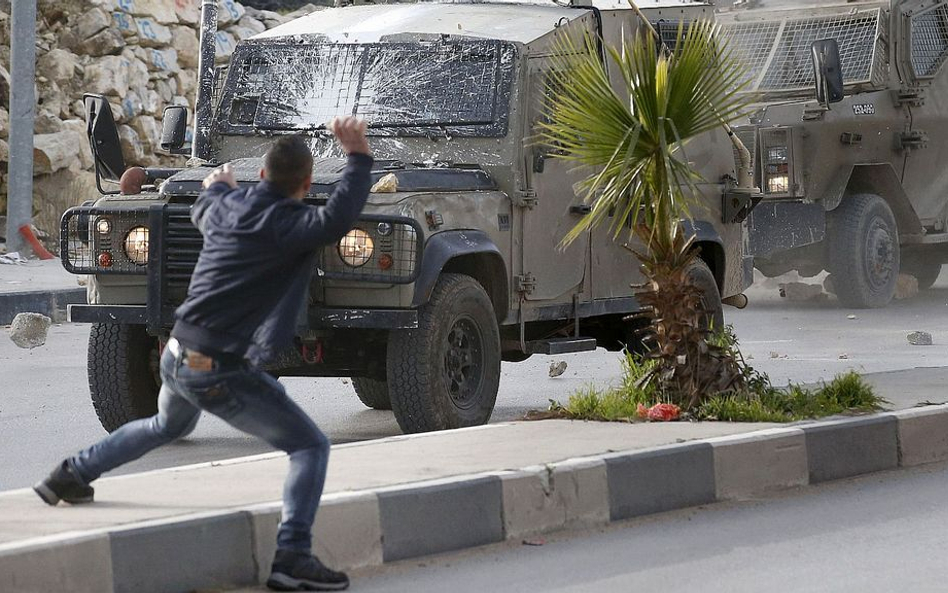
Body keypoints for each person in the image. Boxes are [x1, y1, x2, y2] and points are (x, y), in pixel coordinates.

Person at [33, 116, 374, 592]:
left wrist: (219, 185)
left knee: (166, 426)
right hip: (212, 365)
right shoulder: (296, 225)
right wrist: (358, 155)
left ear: (261, 176)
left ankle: (71, 475)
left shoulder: (228, 208)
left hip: (177, 350)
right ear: (307, 183)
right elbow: (339, 217)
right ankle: (292, 557)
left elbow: (207, 206)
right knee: (309, 446)